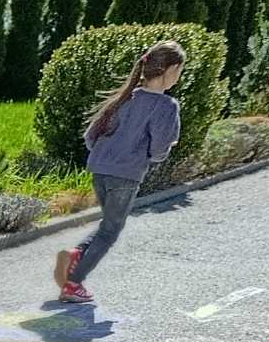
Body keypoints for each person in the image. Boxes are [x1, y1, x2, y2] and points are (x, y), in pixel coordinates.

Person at [55, 40, 185, 305]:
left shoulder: (124, 97)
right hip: (126, 174)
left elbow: (91, 137)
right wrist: (155, 153)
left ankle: (76, 254)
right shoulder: (166, 106)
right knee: (110, 232)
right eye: (180, 71)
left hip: (100, 170)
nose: (179, 77)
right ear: (170, 70)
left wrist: (109, 154)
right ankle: (73, 283)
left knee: (108, 225)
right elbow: (159, 149)